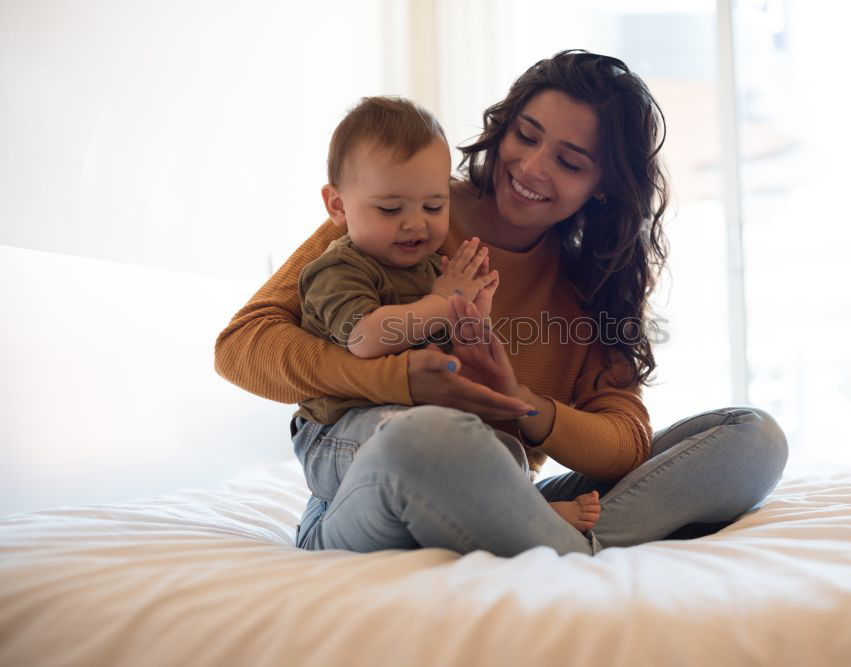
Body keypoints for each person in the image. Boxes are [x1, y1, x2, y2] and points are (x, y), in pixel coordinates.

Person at [215, 50, 789, 557]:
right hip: (387, 475)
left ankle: (556, 538)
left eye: (569, 162)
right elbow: (242, 348)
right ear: (502, 127)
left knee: (751, 439)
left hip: (500, 484)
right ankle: (570, 545)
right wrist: (403, 382)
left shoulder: (591, 282)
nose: (533, 168)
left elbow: (624, 441)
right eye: (526, 135)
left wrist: (517, 402)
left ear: (604, 185)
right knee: (429, 436)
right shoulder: (404, 215)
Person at [295, 96, 602, 532]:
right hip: (336, 435)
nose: (416, 224)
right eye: (390, 209)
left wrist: (470, 318)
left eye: (434, 207)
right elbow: (365, 338)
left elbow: (447, 355)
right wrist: (441, 303)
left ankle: (509, 507)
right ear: (337, 206)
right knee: (419, 437)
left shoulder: (430, 269)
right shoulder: (338, 268)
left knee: (499, 448)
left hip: (416, 429)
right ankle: (528, 519)